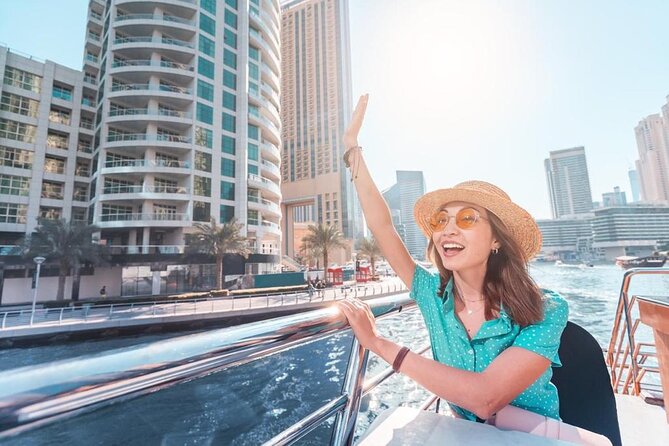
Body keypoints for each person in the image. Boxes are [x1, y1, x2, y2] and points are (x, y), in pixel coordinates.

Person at [336, 96, 610, 445]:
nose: (448, 229)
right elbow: (382, 226)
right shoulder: (431, 294)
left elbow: (486, 397)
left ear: (496, 239)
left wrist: (376, 342)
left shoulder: (545, 308)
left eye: (466, 219)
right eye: (441, 220)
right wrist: (352, 150)